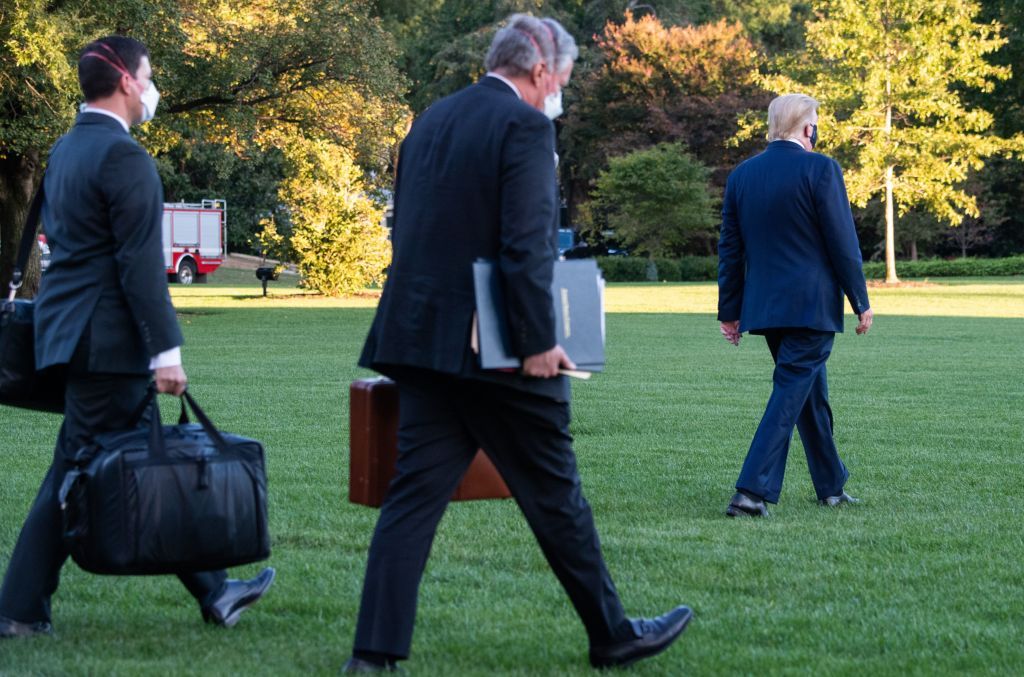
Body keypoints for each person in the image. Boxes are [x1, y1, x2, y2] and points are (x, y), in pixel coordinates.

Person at [344, 14, 691, 673]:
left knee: (413, 498)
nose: (557, 93)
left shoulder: (431, 121)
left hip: (421, 340)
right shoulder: (527, 127)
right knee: (555, 491)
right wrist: (538, 341)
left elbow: (413, 234)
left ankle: (372, 655)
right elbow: (526, 245)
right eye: (560, 80)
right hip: (497, 351)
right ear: (540, 72)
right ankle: (613, 635)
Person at [0, 36, 274, 639]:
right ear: (125, 81)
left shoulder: (65, 149)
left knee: (81, 465)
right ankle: (19, 609)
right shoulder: (124, 159)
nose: (153, 89)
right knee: (92, 469)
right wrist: (166, 352)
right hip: (109, 344)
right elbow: (138, 266)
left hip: (70, 335)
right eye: (149, 76)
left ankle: (214, 589)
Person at [717, 93, 874, 518]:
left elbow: (730, 250)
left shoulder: (742, 176)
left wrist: (729, 311)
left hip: (766, 310)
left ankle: (831, 486)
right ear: (808, 128)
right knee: (790, 394)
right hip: (811, 307)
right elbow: (843, 242)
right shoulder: (821, 168)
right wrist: (860, 299)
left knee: (809, 395)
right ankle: (751, 492)